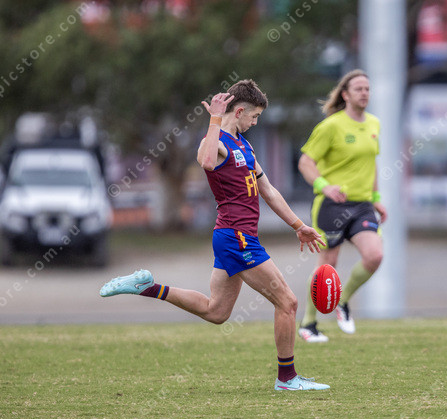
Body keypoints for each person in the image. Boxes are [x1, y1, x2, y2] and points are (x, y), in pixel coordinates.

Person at [100, 80, 330, 391]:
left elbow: (269, 190)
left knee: (217, 311)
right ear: (240, 111)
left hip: (235, 237)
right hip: (237, 238)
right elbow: (207, 162)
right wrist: (214, 119)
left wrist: (298, 225)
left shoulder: (245, 146)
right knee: (287, 302)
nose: (255, 122)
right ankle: (287, 378)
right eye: (254, 116)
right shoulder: (216, 141)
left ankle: (148, 286)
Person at [297, 69, 387, 342]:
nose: (364, 93)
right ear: (345, 95)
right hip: (332, 205)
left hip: (363, 205)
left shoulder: (374, 124)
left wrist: (377, 200)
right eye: (358, 89)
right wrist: (324, 186)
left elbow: (371, 165)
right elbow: (305, 162)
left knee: (374, 256)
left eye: (367, 88)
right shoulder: (331, 126)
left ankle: (343, 300)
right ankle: (308, 323)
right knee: (328, 265)